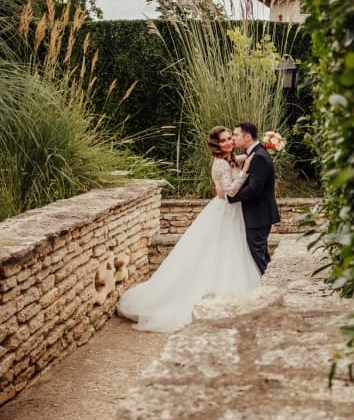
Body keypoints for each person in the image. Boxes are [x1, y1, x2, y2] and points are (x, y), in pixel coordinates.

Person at [117, 126, 262, 332]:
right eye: (223, 141)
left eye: (230, 138)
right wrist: (246, 170)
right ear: (216, 145)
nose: (229, 142)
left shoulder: (231, 159)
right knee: (216, 253)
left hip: (233, 214)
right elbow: (229, 191)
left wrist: (258, 152)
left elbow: (242, 159)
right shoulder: (220, 164)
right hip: (224, 212)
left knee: (229, 253)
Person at [226, 121, 280, 274]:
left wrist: (230, 197)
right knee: (261, 256)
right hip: (258, 215)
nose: (233, 138)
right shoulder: (254, 153)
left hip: (258, 216)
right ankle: (268, 286)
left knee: (257, 258)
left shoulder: (259, 157)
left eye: (236, 135)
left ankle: (266, 290)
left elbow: (254, 190)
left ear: (247, 136)